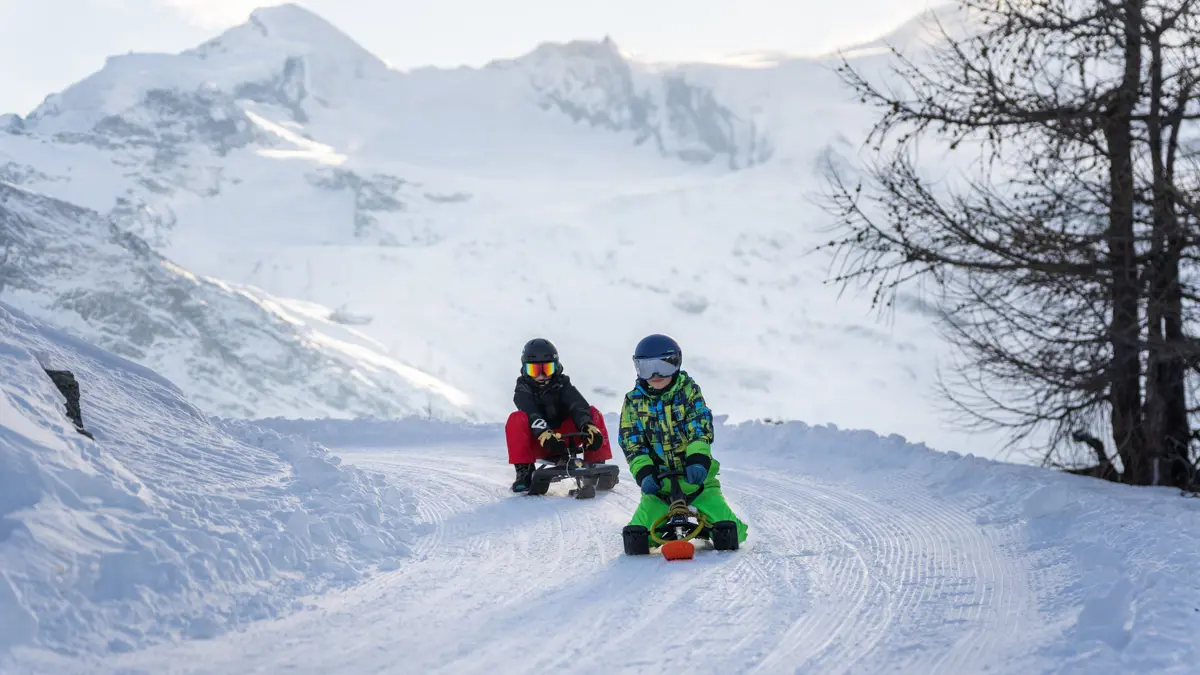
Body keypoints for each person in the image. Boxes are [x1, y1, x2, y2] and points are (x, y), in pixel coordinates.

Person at [617, 333, 748, 547]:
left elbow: (699, 427)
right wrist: (644, 472)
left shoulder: (689, 392)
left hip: (696, 481)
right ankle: (659, 530)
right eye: (647, 368)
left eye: (663, 366)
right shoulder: (633, 401)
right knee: (639, 536)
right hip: (660, 486)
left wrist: (698, 459)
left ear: (676, 364)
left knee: (732, 533)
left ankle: (709, 527)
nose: (656, 375)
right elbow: (632, 442)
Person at [506, 337, 613, 492]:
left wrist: (587, 426)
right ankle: (524, 472)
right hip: (540, 441)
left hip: (565, 438)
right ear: (525, 369)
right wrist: (544, 434)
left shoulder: (562, 384)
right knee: (516, 419)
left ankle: (596, 463)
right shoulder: (523, 389)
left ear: (556, 367)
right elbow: (531, 412)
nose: (541, 376)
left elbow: (577, 405)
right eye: (535, 370)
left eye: (547, 369)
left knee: (593, 413)